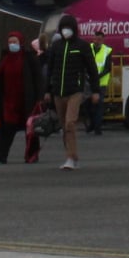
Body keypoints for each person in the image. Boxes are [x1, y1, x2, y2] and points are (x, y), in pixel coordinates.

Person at [42, 18, 96, 170]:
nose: (66, 30)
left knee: (70, 123)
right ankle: (72, 154)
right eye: (63, 27)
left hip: (75, 91)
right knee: (64, 126)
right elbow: (50, 69)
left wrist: (95, 90)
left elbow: (92, 69)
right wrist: (47, 90)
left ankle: (70, 158)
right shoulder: (56, 46)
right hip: (58, 91)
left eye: (68, 27)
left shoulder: (82, 46)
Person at [0, 29, 42, 163]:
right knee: (8, 127)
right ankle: (2, 153)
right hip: (9, 100)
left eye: (15, 42)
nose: (12, 44)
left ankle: (32, 154)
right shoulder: (5, 58)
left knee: (30, 128)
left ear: (20, 42)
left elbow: (38, 78)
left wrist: (40, 97)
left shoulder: (29, 57)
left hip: (26, 99)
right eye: (10, 42)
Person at [85, 31, 113, 134]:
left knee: (99, 104)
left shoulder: (107, 50)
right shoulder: (88, 48)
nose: (97, 41)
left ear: (103, 40)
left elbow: (108, 67)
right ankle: (92, 123)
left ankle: (97, 127)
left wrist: (97, 76)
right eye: (95, 39)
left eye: (99, 39)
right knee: (87, 103)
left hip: (101, 82)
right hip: (89, 82)